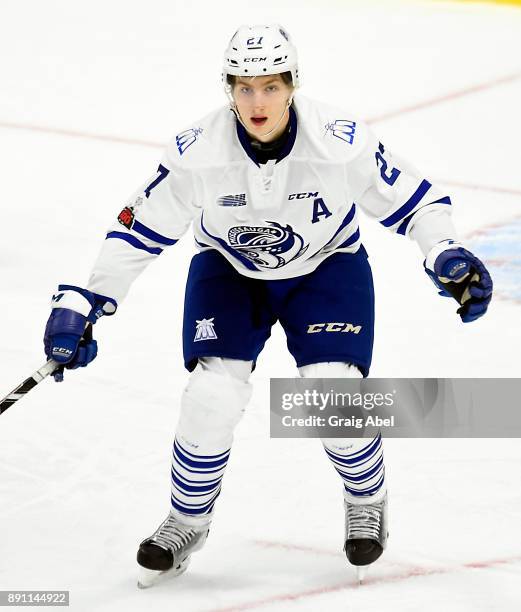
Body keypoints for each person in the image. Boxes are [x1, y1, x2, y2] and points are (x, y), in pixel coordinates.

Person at [43, 24, 493, 587]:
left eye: (271, 86)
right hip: (230, 272)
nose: (257, 101)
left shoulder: (341, 141)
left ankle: (366, 500)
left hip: (327, 267)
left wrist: (445, 249)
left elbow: (418, 201)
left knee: (332, 391)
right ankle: (187, 519)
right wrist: (86, 299)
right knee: (211, 393)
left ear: (293, 84)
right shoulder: (195, 153)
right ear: (228, 87)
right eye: (245, 86)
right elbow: (139, 231)